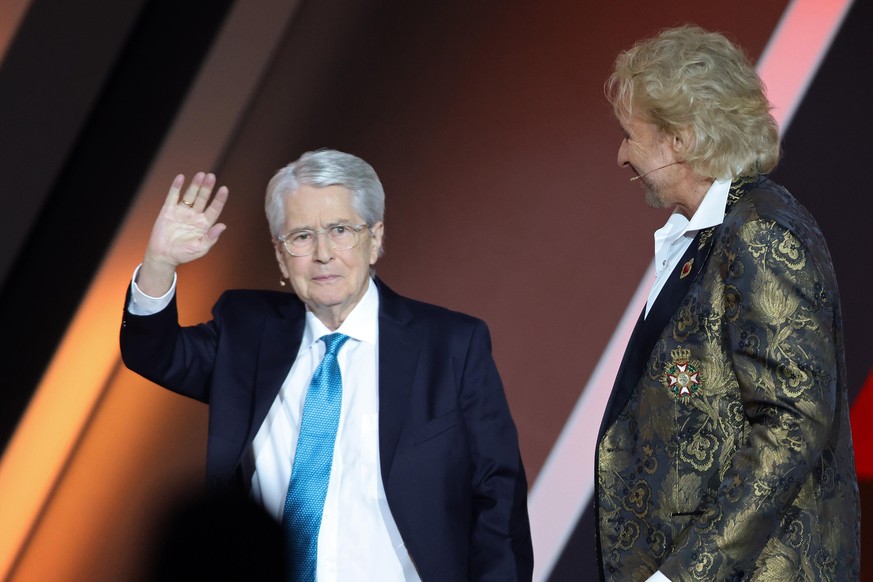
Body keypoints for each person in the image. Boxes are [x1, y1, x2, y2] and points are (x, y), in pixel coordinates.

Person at [120, 149, 533, 581]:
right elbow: (154, 352)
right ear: (281, 257)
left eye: (340, 231)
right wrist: (160, 263)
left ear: (375, 239)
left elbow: (497, 495)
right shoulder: (246, 330)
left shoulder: (450, 344)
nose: (322, 254)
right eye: (301, 236)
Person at [595, 26, 860, 581]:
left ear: (681, 139)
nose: (621, 155)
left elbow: (793, 425)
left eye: (630, 135)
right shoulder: (713, 234)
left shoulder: (760, 232)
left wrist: (685, 574)